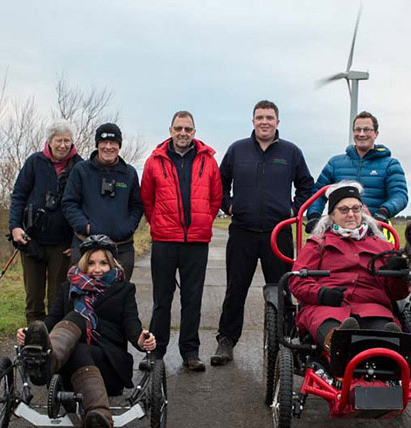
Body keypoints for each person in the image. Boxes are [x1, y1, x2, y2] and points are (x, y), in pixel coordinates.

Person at [17, 234, 156, 428]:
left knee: (77, 321)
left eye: (103, 263)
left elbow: (132, 324)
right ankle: (47, 359)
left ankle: (50, 364)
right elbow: (51, 322)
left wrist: (142, 339)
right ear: (83, 264)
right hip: (69, 367)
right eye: (91, 263)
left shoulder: (124, 289)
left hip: (108, 364)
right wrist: (31, 334)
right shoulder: (67, 289)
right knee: (73, 321)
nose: (97, 269)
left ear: (112, 264)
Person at [211, 100, 314, 366]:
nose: (264, 122)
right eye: (260, 117)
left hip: (277, 233)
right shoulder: (237, 150)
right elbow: (219, 183)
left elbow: (306, 186)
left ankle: (288, 342)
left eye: (269, 117)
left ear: (278, 122)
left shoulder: (291, 152)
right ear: (253, 121)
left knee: (282, 289)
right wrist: (229, 205)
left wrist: (293, 210)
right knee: (236, 289)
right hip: (242, 232)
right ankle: (226, 341)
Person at [140, 110, 222, 372]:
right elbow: (147, 199)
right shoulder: (154, 161)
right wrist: (159, 224)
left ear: (194, 132)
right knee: (162, 299)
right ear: (170, 130)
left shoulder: (208, 161)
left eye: (187, 129)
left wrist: (203, 222)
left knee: (192, 299)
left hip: (196, 242)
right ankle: (156, 351)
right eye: (178, 128)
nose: (183, 133)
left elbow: (215, 198)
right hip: (165, 241)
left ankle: (190, 352)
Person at [289, 181, 409, 352]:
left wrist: (399, 277)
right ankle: (339, 343)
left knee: (386, 330)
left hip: (373, 308)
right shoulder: (318, 243)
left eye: (356, 208)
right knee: (334, 330)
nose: (351, 214)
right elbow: (296, 281)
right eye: (344, 210)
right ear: (332, 215)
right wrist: (321, 294)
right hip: (327, 308)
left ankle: (387, 345)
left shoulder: (383, 247)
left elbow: (396, 294)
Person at [9, 120, 83, 324]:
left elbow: (85, 205)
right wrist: (15, 227)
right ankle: (33, 340)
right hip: (31, 240)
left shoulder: (80, 166)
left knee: (58, 297)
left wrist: (77, 241)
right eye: (59, 140)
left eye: (67, 141)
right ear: (49, 141)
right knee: (33, 296)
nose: (63, 145)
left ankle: (55, 344)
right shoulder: (34, 162)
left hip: (63, 244)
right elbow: (18, 196)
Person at [62, 123, 143, 279]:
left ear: (119, 146)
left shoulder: (129, 173)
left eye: (113, 143)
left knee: (119, 297)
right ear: (97, 145)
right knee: (83, 297)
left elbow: (137, 206)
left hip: (121, 247)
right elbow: (69, 203)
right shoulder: (81, 171)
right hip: (86, 247)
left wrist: (128, 227)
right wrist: (85, 226)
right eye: (103, 143)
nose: (108, 147)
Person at [306, 111, 408, 232]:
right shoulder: (335, 163)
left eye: (367, 130)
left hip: (374, 230)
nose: (361, 134)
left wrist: (383, 212)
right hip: (339, 231)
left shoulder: (390, 164)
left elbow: (399, 195)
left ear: (376, 133)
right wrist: (314, 216)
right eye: (357, 129)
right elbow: (318, 193)